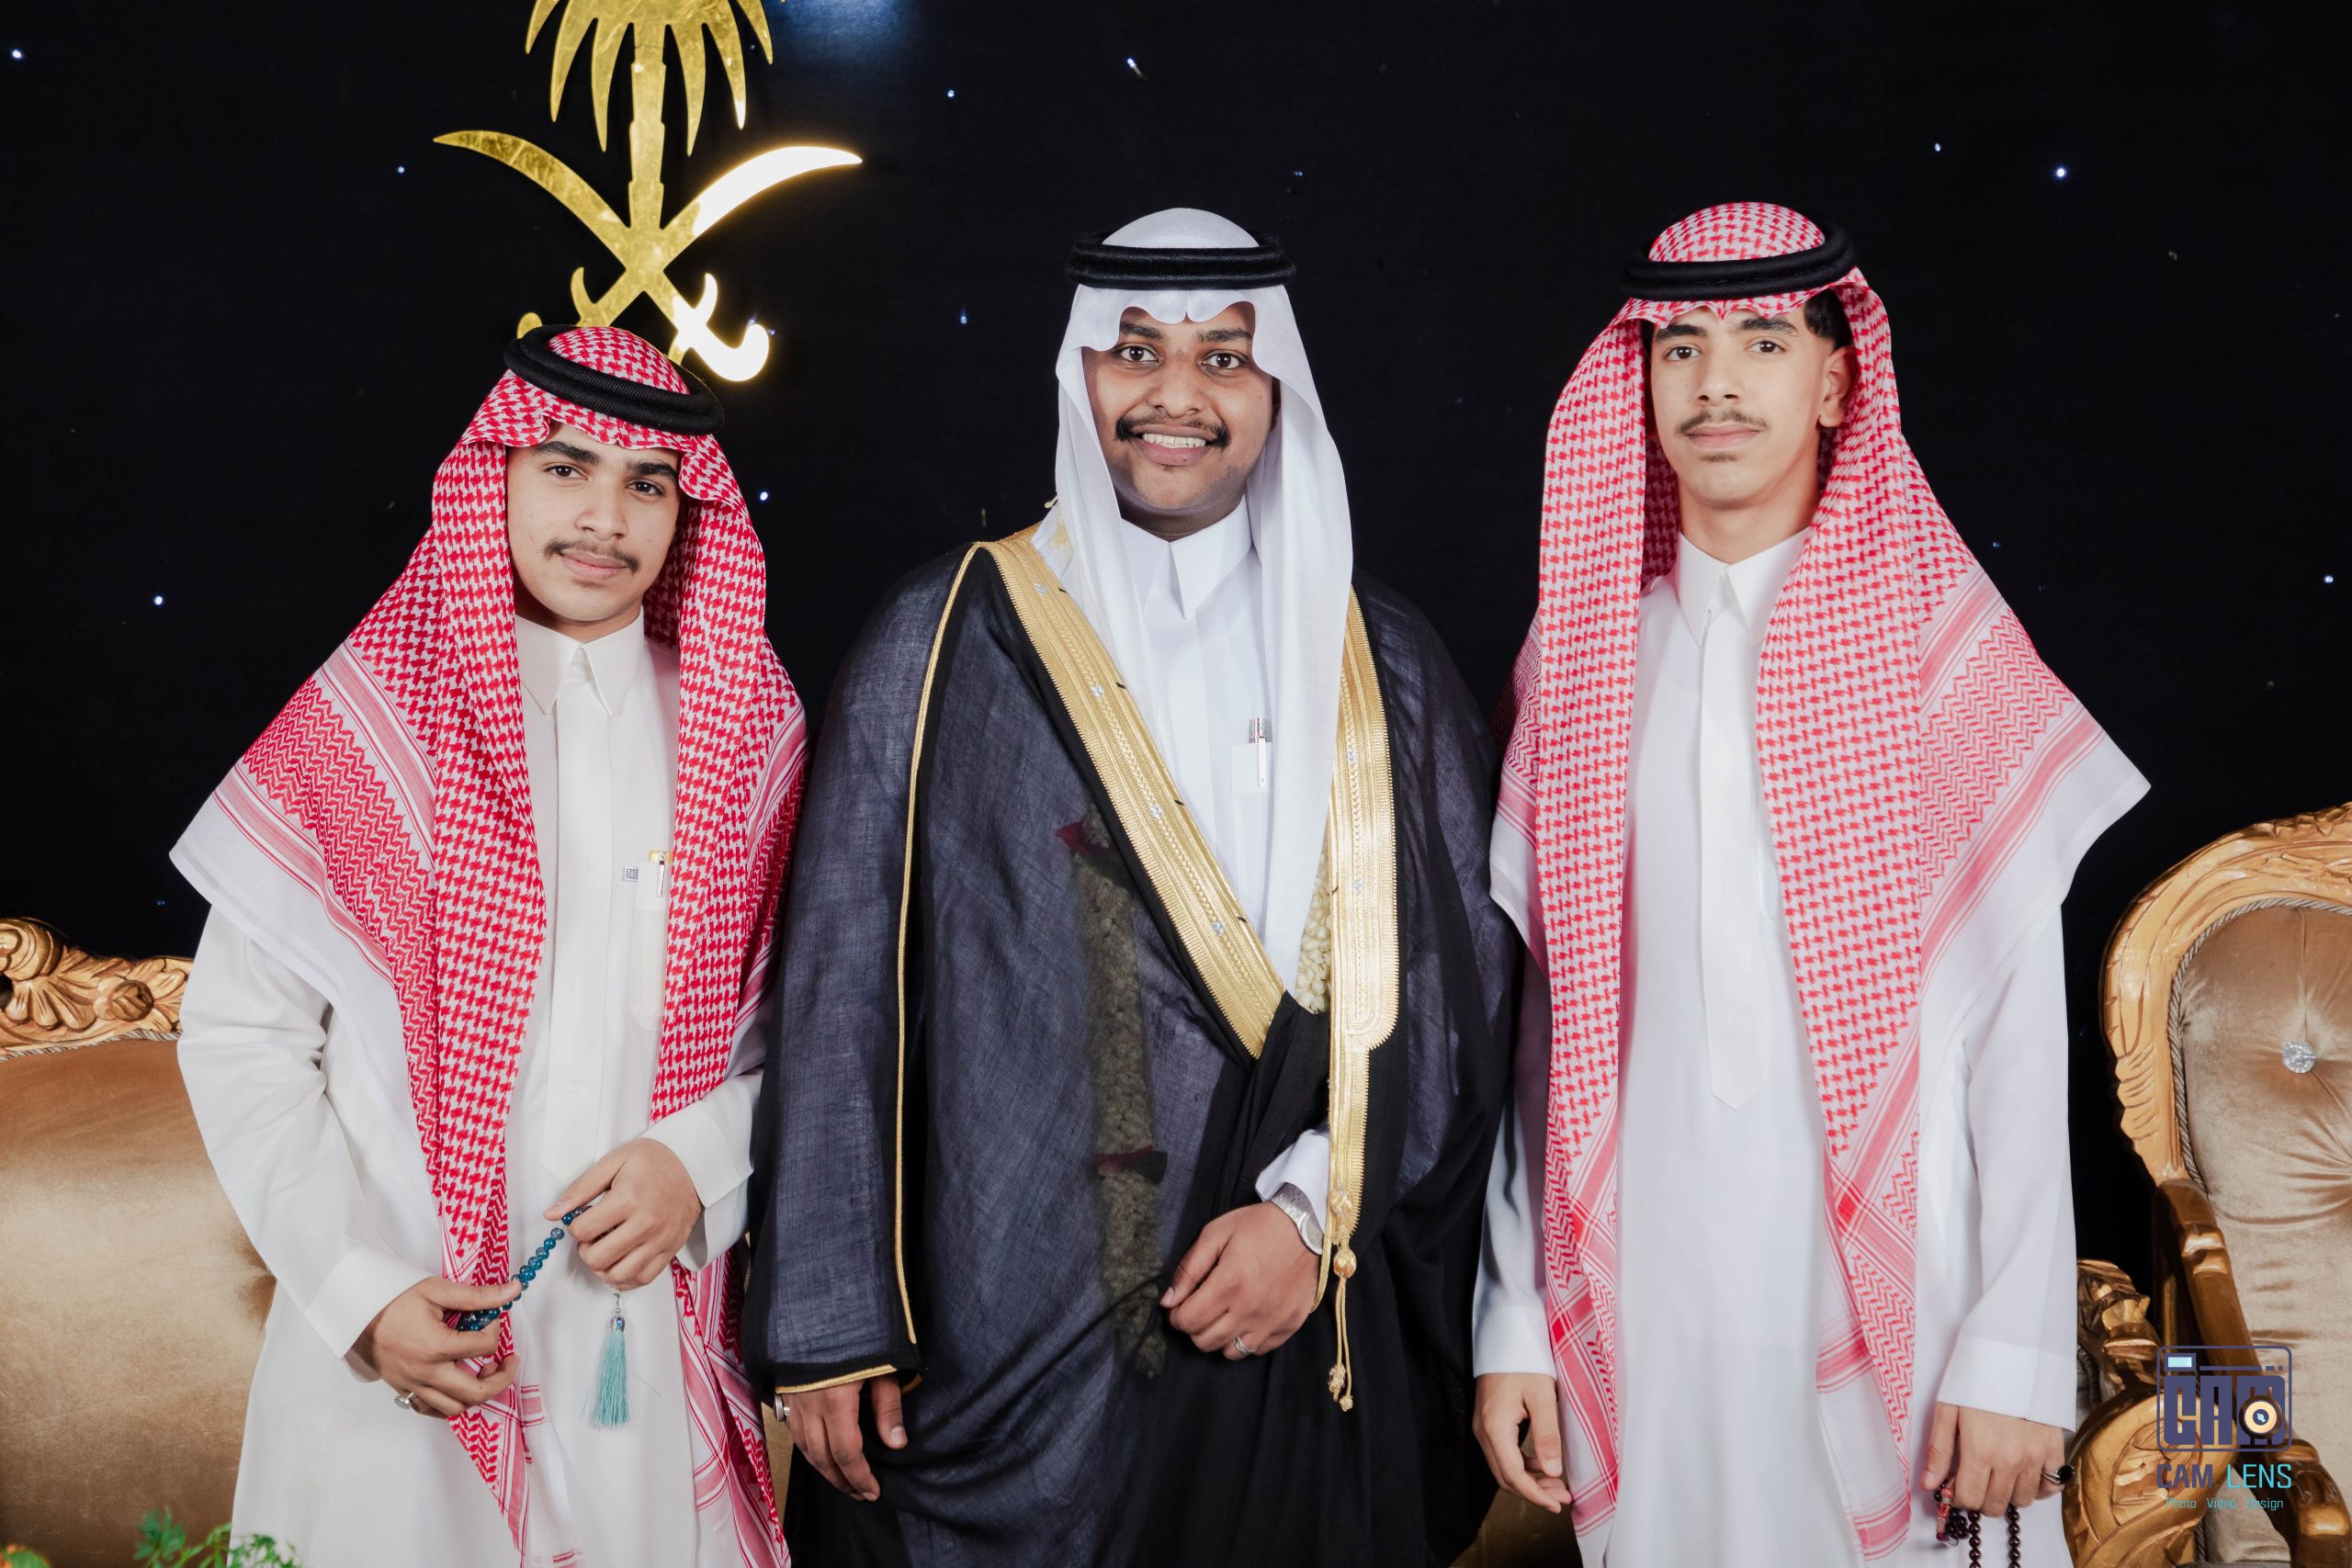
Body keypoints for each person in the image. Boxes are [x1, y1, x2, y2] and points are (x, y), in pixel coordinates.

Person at [745, 209, 1514, 1567]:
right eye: (1138, 350)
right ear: (1080, 375)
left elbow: (1457, 999)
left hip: (1283, 1317)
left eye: (1224, 357)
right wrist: (831, 1320)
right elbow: (839, 984)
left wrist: (1311, 1218)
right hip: (998, 1327)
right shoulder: (941, 636)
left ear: (1278, 388)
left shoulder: (1380, 664)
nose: (1177, 395)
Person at [1473, 202, 2148, 1563]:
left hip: (1909, 1299)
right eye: (1680, 346)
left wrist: (2017, 1350)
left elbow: (2017, 1031)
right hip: (1646, 1294)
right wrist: (1513, 1318)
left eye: (1765, 341)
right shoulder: (1583, 657)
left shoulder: (1938, 649)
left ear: (1839, 383)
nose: (1715, 382)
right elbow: (1544, 1032)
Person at [172, 325, 804, 1566]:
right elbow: (243, 1034)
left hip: (637, 1339)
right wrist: (359, 1298)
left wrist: (698, 1162)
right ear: (496, 477)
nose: (605, 518)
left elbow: (815, 1033)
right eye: (565, 468)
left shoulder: (746, 732)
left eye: (647, 483)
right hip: (401, 1350)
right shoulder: (371, 722)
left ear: (687, 511)